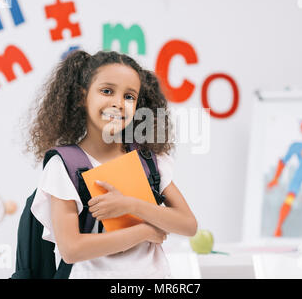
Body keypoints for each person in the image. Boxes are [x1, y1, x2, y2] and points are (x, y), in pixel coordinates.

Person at [21, 50, 198, 278]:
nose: (118, 103)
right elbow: (71, 250)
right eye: (107, 91)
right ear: (81, 97)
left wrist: (130, 205)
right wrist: (144, 231)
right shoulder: (64, 165)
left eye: (129, 96)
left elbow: (188, 226)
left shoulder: (149, 161)